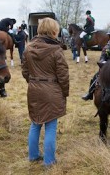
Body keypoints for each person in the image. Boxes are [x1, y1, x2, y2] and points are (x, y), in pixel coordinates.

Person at [21, 17, 69, 167]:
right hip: (51, 90)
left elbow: (24, 71)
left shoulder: (28, 47)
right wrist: (64, 92)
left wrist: (34, 82)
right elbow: (63, 75)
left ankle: (33, 156)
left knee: (35, 123)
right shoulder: (56, 50)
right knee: (50, 125)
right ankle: (49, 161)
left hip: (34, 89)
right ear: (54, 31)